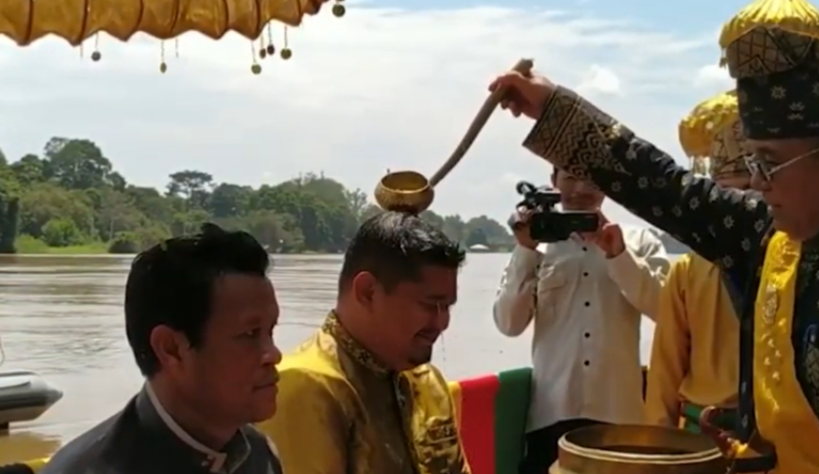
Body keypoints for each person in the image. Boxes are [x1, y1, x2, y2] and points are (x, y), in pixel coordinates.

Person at [488, 25, 819, 474]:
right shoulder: (767, 237)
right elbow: (668, 187)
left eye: (770, 164)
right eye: (753, 163)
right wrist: (552, 106)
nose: (759, 185)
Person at [42, 223, 283, 474]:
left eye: (271, 331)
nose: (274, 354)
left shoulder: (258, 454)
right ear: (171, 349)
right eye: (249, 334)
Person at [257, 211, 470, 474]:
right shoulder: (305, 387)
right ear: (368, 292)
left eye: (447, 307)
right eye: (429, 305)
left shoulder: (428, 382)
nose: (442, 323)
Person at [492, 165, 668, 474]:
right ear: (553, 182)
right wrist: (524, 250)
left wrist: (619, 255)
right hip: (550, 414)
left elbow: (664, 310)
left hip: (620, 414)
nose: (580, 189)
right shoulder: (537, 245)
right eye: (570, 177)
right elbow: (508, 323)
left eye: (590, 178)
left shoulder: (639, 241)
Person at [645, 90, 748, 433]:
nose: (741, 208)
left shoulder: (795, 257)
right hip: (702, 433)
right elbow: (665, 369)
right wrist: (660, 449)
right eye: (728, 197)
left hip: (776, 438)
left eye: (749, 194)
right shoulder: (687, 271)